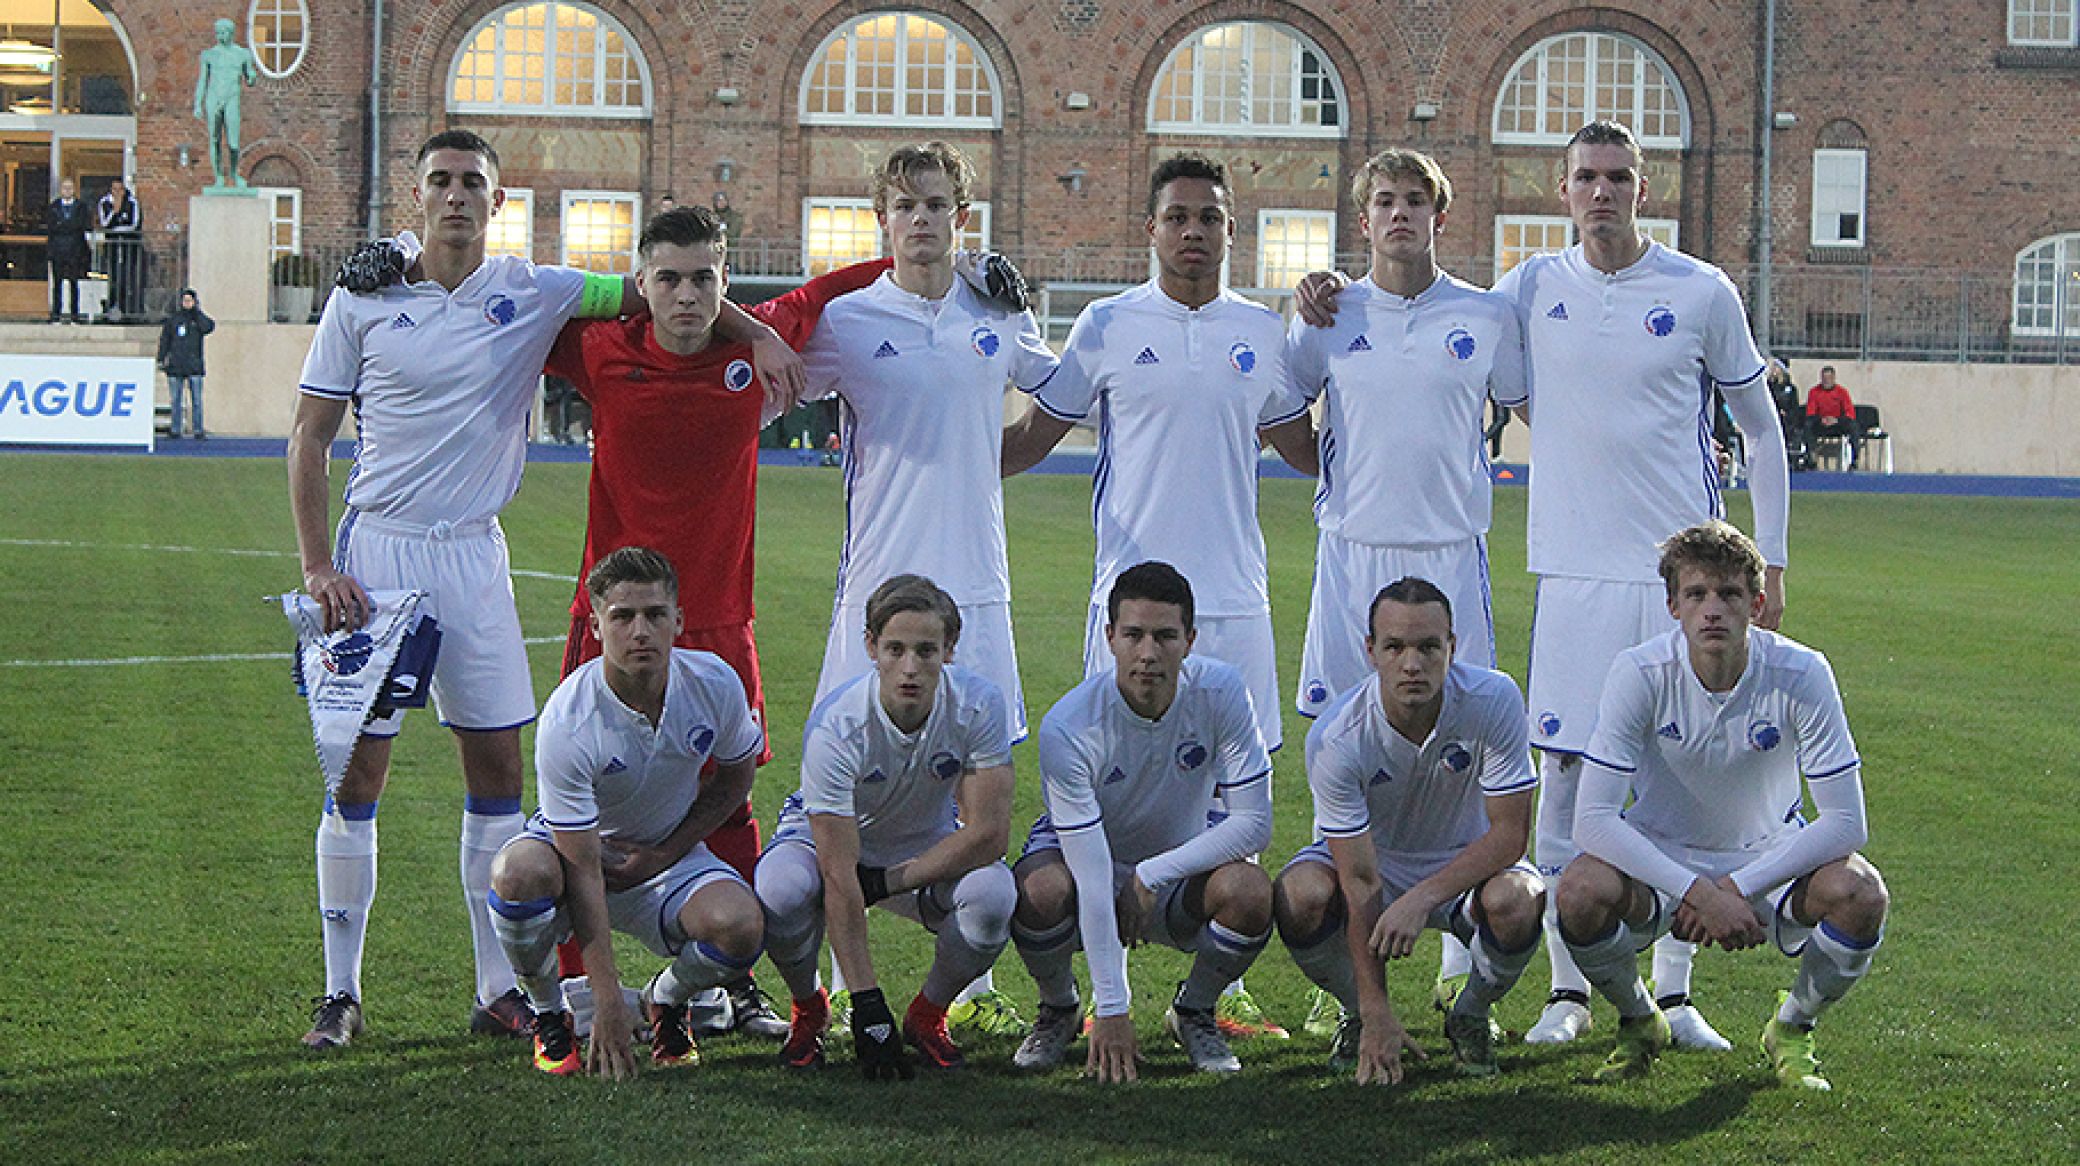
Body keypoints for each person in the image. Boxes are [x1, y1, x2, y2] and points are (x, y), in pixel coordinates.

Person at [287, 128, 800, 1052]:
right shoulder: (362, 294)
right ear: (415, 198)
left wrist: (756, 326)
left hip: (476, 556)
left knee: (496, 777)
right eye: (438, 182)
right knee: (357, 777)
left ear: (496, 199)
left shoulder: (533, 289)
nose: (454, 197)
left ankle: (499, 991)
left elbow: (663, 290)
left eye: (471, 183)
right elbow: (309, 436)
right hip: (376, 561)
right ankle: (340, 991)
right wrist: (319, 566)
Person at [1305, 121, 1792, 1049]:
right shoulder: (1526, 291)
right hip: (1570, 572)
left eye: (1617, 176)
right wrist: (1329, 285)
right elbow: (1426, 322)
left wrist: (1769, 562)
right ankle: (1569, 991)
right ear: (1562, 191)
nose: (1600, 192)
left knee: (1679, 770)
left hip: (1677, 580)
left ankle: (1675, 991)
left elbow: (1761, 433)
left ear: (1643, 188)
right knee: (1564, 780)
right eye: (1584, 178)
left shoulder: (1702, 291)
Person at [540, 205, 890, 1041]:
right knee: (587, 794)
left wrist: (976, 269)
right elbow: (506, 307)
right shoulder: (600, 350)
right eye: (668, 279)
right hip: (616, 619)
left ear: (725, 282)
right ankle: (580, 985)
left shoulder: (753, 348)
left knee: (731, 798)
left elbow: (849, 279)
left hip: (720, 621)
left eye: (705, 279)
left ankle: (727, 984)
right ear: (642, 283)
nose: (687, 295)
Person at [998, 154, 1311, 1040]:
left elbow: (1308, 451)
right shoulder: (1105, 324)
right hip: (1128, 607)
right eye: (1178, 216)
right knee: (1104, 784)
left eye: (1210, 218)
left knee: (1236, 812)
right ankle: (1086, 994)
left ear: (1229, 231)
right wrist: (942, 461)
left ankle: (1214, 995)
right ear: (1151, 229)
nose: (1194, 231)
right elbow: (1029, 439)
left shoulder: (1263, 331)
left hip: (1234, 604)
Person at [798, 141, 1057, 1036]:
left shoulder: (997, 311)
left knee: (976, 782)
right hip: (873, 594)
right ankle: (841, 981)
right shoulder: (845, 320)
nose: (922, 220)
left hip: (976, 591)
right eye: (905, 206)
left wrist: (995, 466)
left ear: (962, 217)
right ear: (881, 220)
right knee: (852, 786)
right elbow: (759, 386)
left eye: (939, 205)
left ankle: (969, 994)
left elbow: (1058, 396)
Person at [1278, 149, 1527, 1039]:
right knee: (1344, 748)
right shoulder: (1327, 313)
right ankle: (1347, 984)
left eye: (1415, 201)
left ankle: (1460, 961)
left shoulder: (1487, 316)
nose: (1399, 215)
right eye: (1383, 200)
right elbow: (1281, 411)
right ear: (1363, 216)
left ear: (1440, 215)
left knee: (1468, 741)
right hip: (1353, 555)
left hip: (1453, 553)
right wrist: (1337, 482)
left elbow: (1544, 409)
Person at [1555, 521, 1886, 1090]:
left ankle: (1794, 1026)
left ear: (1756, 604)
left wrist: (1735, 888)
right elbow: (1592, 820)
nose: (1713, 610)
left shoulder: (1803, 672)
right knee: (1579, 891)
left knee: (1862, 893)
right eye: (1696, 594)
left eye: (1729, 594)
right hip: (1664, 862)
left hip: (1768, 860)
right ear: (1672, 606)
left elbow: (1847, 821)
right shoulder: (1639, 673)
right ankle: (1639, 1018)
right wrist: (1699, 892)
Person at [486, 547, 768, 1077]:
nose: (640, 631)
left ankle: (664, 1000)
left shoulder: (715, 682)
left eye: (655, 615)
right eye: (622, 617)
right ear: (595, 626)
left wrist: (664, 854)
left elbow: (736, 774)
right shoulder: (569, 720)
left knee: (742, 926)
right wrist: (606, 997)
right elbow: (581, 865)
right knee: (517, 875)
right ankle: (551, 1014)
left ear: (678, 620)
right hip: (573, 857)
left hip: (663, 854)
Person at [1009, 562, 1276, 1080]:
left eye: (1165, 636)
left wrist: (1152, 874)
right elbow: (1088, 872)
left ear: (1190, 639)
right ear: (1109, 637)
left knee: (1249, 891)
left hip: (1175, 870)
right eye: (1133, 635)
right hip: (1088, 862)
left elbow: (1255, 824)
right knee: (1037, 890)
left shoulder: (1222, 692)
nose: (1148, 653)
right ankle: (1060, 1007)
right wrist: (1111, 1007)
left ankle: (1194, 1010)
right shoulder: (1070, 725)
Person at [1273, 578, 1543, 1083]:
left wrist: (1420, 899)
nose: (1412, 664)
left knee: (1519, 899)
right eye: (1395, 647)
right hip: (1373, 862)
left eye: (1427, 647)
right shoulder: (1336, 737)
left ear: (1452, 648)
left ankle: (1470, 1012)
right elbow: (1358, 880)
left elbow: (1509, 837)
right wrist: (1376, 1009)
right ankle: (1359, 1016)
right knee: (1300, 895)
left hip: (1467, 860)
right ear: (1370, 651)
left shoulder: (1494, 697)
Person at [754, 575, 1017, 1076]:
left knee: (993, 897)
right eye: (895, 649)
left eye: (926, 650)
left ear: (950, 650)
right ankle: (809, 1008)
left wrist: (891, 881)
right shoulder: (836, 726)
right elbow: (838, 872)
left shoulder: (980, 703)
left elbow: (989, 834)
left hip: (922, 845)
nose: (910, 667)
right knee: (780, 891)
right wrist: (868, 1004)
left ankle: (928, 1015)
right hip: (825, 843)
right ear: (871, 647)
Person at [193, 17, 259, 187]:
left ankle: (234, 173)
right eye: (218, 33)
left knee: (233, 142)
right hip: (213, 98)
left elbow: (249, 76)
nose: (220, 36)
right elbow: (202, 81)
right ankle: (218, 177)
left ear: (231, 33)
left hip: (231, 98)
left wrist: (252, 77)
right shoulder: (209, 55)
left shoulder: (242, 54)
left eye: (224, 33)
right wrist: (197, 103)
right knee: (214, 139)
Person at [157, 288, 215, 439]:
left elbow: (208, 327)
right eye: (185, 301)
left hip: (194, 366)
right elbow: (165, 340)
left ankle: (198, 429)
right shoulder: (174, 320)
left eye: (190, 301)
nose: (187, 303)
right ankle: (175, 429)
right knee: (175, 400)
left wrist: (197, 312)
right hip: (176, 365)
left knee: (196, 400)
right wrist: (161, 358)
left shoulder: (198, 319)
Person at [97, 177, 142, 320]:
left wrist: (118, 228)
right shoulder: (105, 203)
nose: (117, 193)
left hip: (128, 245)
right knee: (114, 276)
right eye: (114, 190)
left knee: (128, 276)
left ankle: (128, 309)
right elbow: (105, 224)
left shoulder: (132, 202)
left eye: (120, 189)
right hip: (112, 245)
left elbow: (134, 224)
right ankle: (110, 307)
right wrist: (114, 212)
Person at [46, 178, 90, 323]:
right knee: (57, 283)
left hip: (75, 250)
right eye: (65, 188)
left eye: (70, 188)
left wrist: (65, 226)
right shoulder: (53, 207)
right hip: (58, 249)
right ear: (60, 190)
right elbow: (52, 226)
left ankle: (74, 315)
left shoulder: (81, 207)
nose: (67, 190)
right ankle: (56, 315)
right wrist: (67, 226)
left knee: (74, 282)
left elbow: (82, 225)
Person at [1804, 366, 1861, 469]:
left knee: (1853, 426)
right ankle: (1811, 457)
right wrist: (1821, 419)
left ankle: (1855, 459)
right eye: (1824, 379)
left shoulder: (1842, 392)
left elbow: (1850, 413)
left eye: (1829, 378)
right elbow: (1810, 412)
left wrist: (1836, 420)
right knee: (1808, 425)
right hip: (1821, 423)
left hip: (1837, 424)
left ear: (1834, 378)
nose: (1826, 381)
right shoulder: (1814, 392)